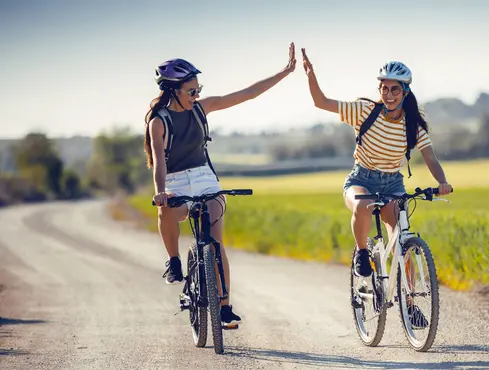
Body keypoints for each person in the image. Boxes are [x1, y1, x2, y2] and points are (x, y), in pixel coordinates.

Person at [144, 43, 297, 327]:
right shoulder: (159, 121)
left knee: (215, 242)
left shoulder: (202, 109)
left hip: (204, 176)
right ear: (172, 90)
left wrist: (284, 72)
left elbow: (247, 94)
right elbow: (159, 162)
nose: (197, 95)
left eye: (198, 89)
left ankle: (224, 306)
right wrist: (160, 193)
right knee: (166, 212)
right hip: (175, 180)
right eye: (192, 91)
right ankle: (174, 261)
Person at [301, 48, 453, 279]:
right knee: (364, 206)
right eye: (384, 88)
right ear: (379, 89)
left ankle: (410, 304)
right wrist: (310, 74)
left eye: (394, 89)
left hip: (392, 184)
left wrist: (442, 181)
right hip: (361, 179)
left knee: (402, 239)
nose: (389, 94)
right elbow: (321, 102)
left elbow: (431, 157)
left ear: (405, 91)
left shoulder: (413, 125)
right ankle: (362, 253)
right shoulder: (364, 111)